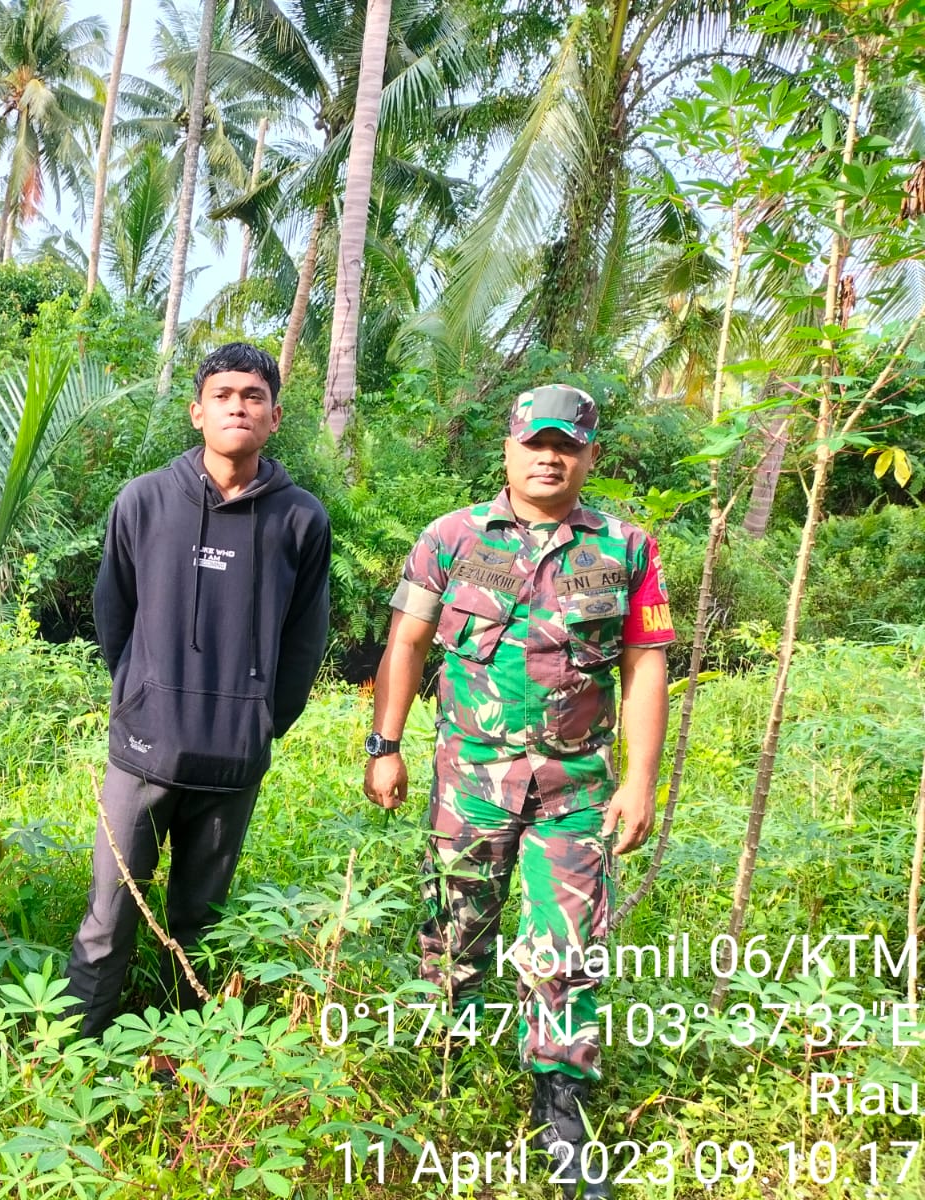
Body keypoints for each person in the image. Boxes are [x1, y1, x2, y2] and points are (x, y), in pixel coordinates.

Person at [363, 385, 673, 1199]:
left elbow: (645, 664)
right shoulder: (452, 537)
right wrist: (384, 745)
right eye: (535, 441)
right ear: (507, 447)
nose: (549, 456)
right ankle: (441, 1073)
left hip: (573, 788)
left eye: (567, 445)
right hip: (469, 782)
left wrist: (641, 780)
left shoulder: (625, 548)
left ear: (590, 456)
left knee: (566, 950)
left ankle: (561, 1112)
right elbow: (409, 639)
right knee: (455, 930)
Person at [63, 342, 332, 1042]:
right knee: (109, 913)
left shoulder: (300, 519)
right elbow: (113, 613)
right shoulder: (145, 501)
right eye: (224, 394)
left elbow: (305, 640)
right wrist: (139, 700)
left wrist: (262, 723)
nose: (238, 406)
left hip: (233, 760)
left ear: (274, 417)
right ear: (197, 411)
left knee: (201, 921)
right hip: (143, 753)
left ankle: (191, 1055)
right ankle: (75, 1051)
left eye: (253, 396)